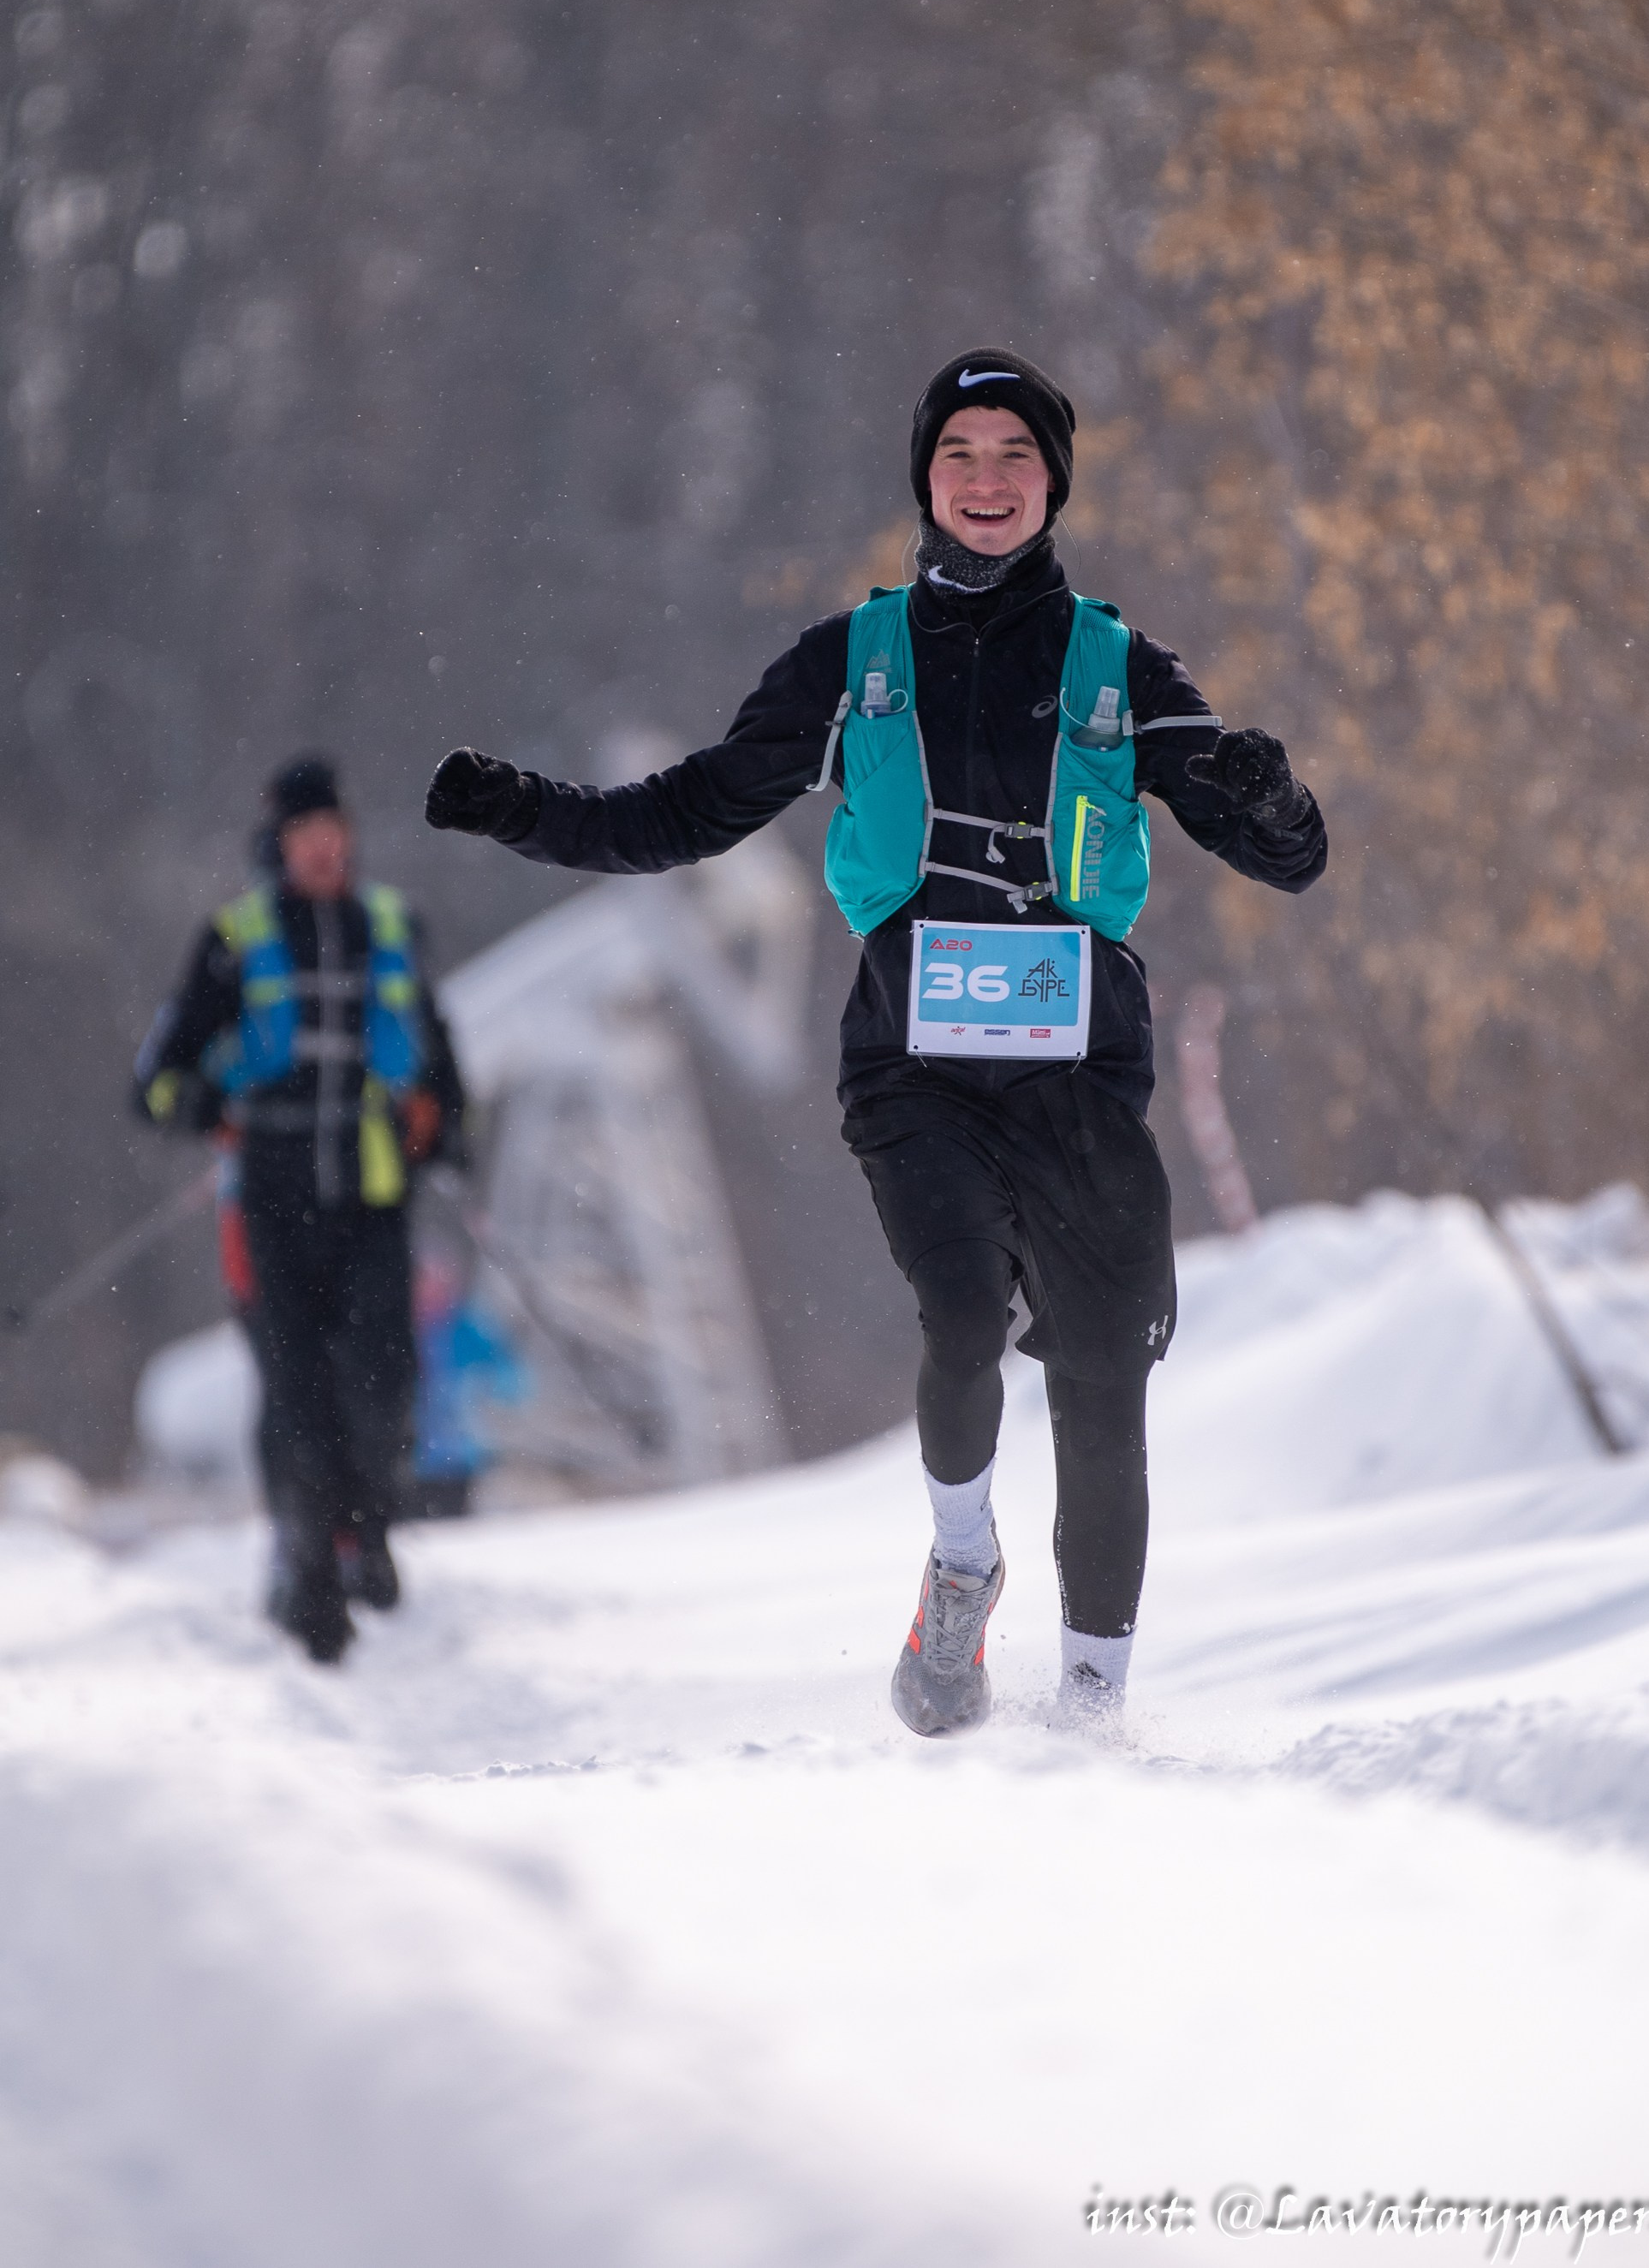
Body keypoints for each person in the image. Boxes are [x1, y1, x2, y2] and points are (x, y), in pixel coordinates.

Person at [424, 348, 1326, 1734]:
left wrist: (1269, 800)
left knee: (1101, 1371)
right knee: (961, 1315)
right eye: (959, 453)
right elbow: (688, 811)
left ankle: (1092, 1710)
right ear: (924, 478)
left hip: (1080, 1071)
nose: (985, 480)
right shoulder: (853, 664)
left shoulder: (1116, 668)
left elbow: (1282, 856)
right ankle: (962, 1561)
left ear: (1052, 484)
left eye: (1013, 455)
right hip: (916, 1064)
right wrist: (522, 809)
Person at [135, 757, 467, 1663]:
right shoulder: (233, 940)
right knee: (296, 1394)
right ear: (277, 846)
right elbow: (158, 1076)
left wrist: (444, 1124)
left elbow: (438, 1053)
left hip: (372, 1196)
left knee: (384, 1382)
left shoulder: (391, 928)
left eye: (334, 831)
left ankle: (367, 1529)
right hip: (268, 1205)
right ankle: (308, 1570)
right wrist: (202, 1105)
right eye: (305, 834)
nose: (324, 848)